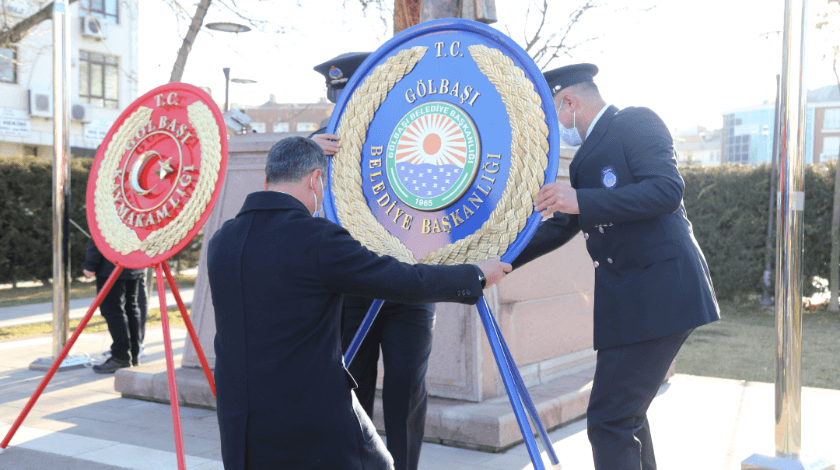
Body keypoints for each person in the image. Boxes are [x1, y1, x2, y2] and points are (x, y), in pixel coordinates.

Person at [207, 136, 511, 470]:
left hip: (239, 421)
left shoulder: (223, 240)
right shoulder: (317, 238)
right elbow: (402, 280)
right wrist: (474, 275)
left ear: (267, 181)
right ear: (315, 180)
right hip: (307, 419)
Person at [512, 64, 720, 470]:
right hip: (627, 300)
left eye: (553, 112)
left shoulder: (636, 121)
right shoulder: (583, 160)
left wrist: (581, 200)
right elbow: (563, 226)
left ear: (569, 102)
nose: (556, 125)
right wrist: (501, 262)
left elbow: (666, 189)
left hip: (661, 291)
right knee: (625, 417)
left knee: (610, 420)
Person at [310, 52, 438, 470]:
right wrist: (310, 154)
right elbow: (285, 187)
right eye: (339, 97)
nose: (344, 104)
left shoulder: (412, 133)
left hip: (409, 285)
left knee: (406, 391)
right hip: (352, 289)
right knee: (350, 390)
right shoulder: (317, 144)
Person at [83, 239, 145, 373]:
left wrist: (90, 264)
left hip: (111, 264)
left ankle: (121, 356)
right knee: (131, 308)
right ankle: (133, 355)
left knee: (112, 309)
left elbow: (100, 232)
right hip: (135, 261)